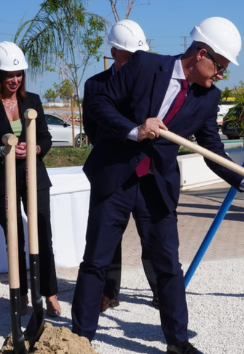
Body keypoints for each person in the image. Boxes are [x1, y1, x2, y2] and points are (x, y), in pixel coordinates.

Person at [71, 17, 244, 354]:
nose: (220, 75)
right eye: (220, 66)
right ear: (201, 54)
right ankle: (81, 340)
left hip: (157, 187)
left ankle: (177, 341)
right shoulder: (143, 65)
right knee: (97, 260)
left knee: (168, 266)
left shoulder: (208, 98)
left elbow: (213, 152)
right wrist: (135, 130)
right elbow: (99, 103)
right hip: (116, 178)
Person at [0, 41, 62, 318]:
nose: (15, 80)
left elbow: (45, 137)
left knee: (43, 235)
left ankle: (50, 294)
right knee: (15, 239)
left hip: (35, 177)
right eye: (9, 75)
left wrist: (35, 147)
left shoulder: (32, 100)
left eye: (19, 74)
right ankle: (20, 294)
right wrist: (2, 150)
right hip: (3, 180)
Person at [83, 19, 158, 312]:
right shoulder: (95, 86)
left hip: (146, 171)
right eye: (128, 56)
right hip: (112, 171)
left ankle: (159, 290)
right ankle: (108, 292)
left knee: (152, 234)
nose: (134, 62)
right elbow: (93, 128)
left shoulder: (152, 85)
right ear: (114, 52)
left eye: (139, 56)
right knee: (106, 237)